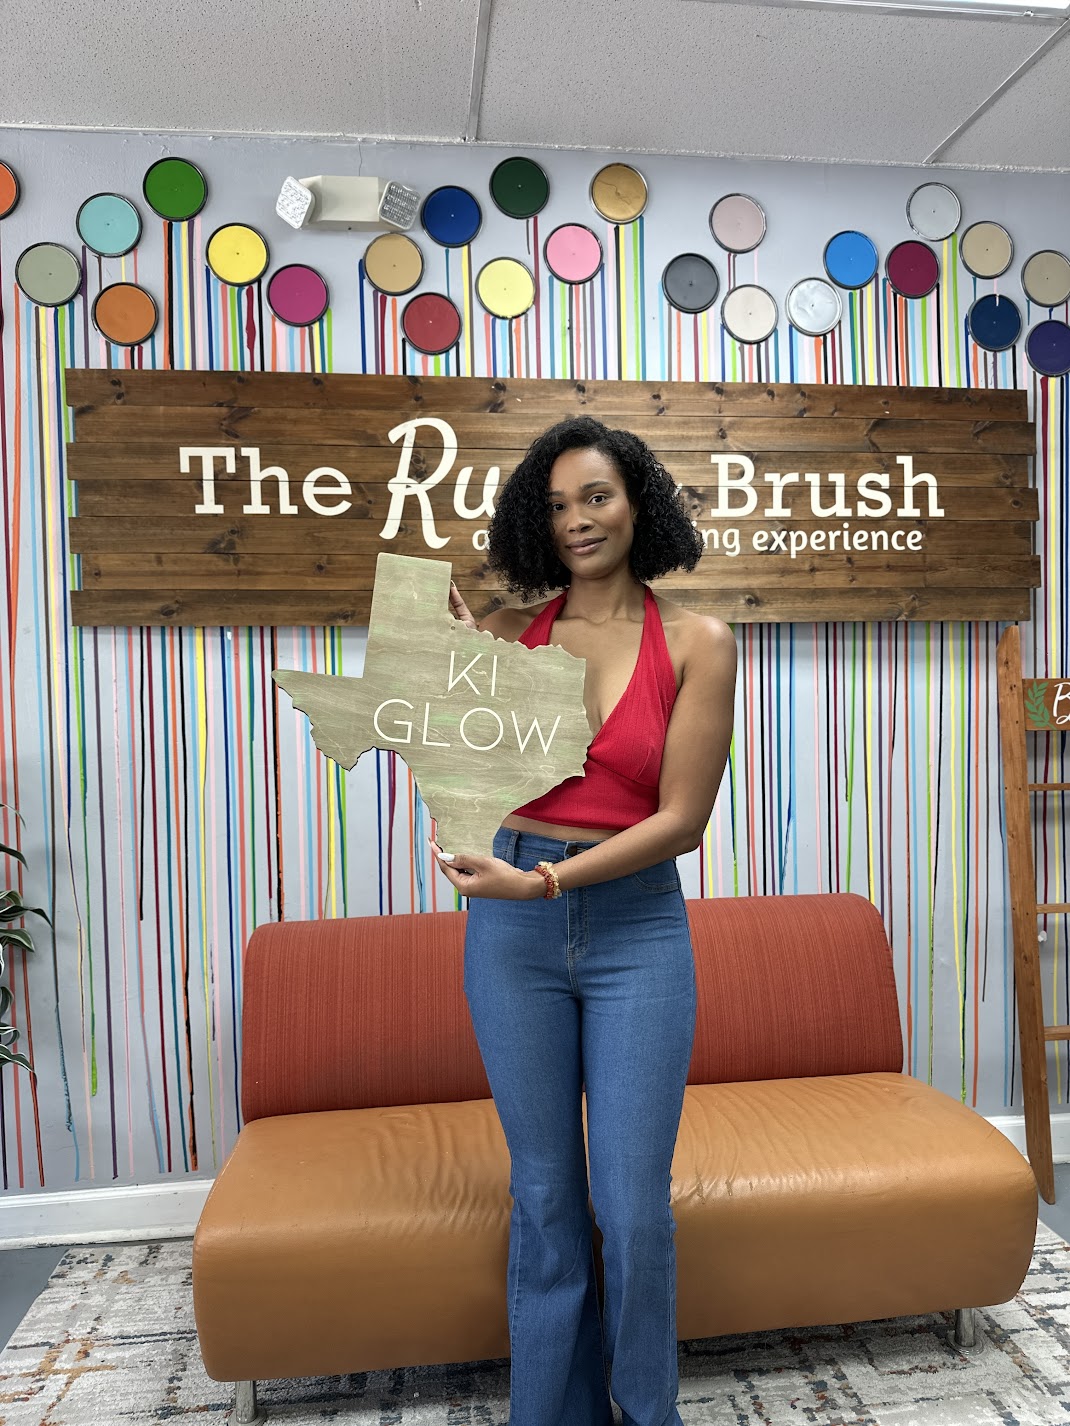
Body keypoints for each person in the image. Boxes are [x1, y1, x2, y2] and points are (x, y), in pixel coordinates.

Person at [431, 415, 737, 1426]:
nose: (577, 519)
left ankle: (645, 1412)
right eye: (556, 505)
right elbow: (478, 786)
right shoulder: (512, 640)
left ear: (638, 501)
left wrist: (551, 886)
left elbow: (681, 822)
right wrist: (446, 687)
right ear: (536, 522)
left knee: (632, 1210)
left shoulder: (697, 642)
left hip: (633, 928)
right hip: (510, 932)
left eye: (595, 495)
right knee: (548, 1200)